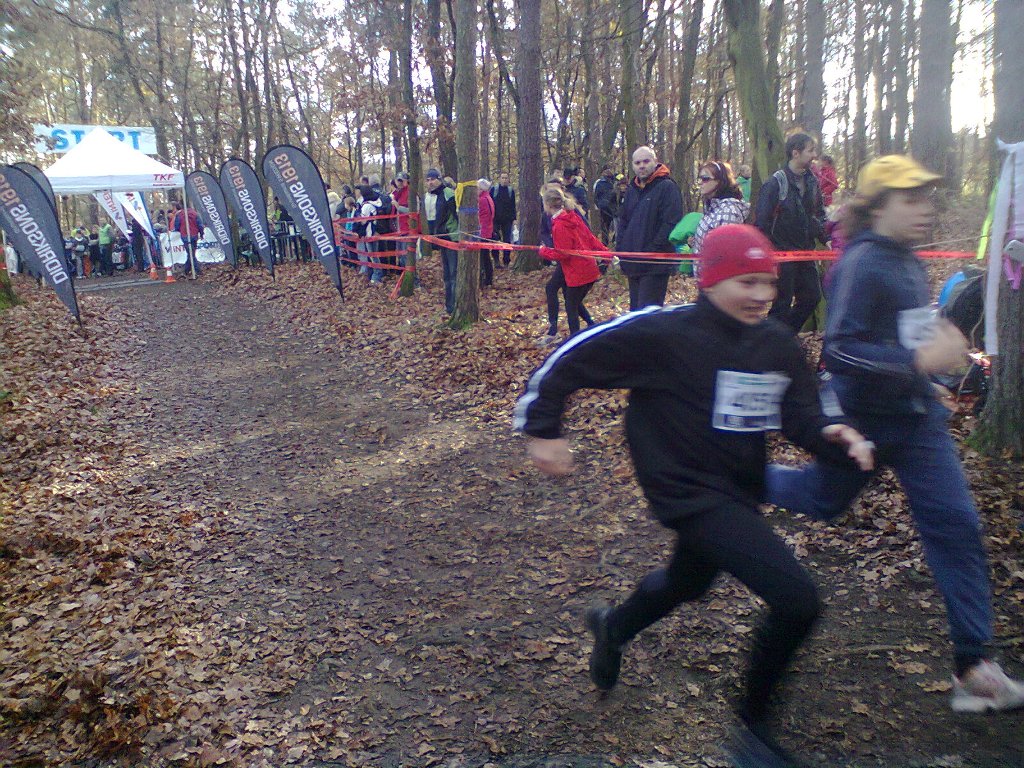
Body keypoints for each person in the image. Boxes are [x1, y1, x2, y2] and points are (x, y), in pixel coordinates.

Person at [516, 224, 875, 766]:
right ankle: (753, 733)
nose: (761, 295)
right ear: (709, 280)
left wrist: (834, 436)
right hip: (683, 488)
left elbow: (800, 416)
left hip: (738, 487)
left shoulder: (776, 344)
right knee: (798, 600)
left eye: (768, 282)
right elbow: (570, 359)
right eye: (746, 282)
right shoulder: (665, 333)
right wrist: (543, 429)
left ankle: (614, 627)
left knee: (688, 581)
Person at [765, 155, 1024, 715]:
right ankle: (742, 474)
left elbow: (907, 332)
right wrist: (917, 362)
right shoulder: (861, 263)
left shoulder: (906, 258)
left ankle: (973, 664)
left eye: (927, 197)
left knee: (955, 523)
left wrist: (938, 369)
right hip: (865, 420)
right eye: (912, 198)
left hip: (917, 420)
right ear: (879, 207)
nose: (926, 209)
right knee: (821, 499)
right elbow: (840, 350)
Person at [754, 132, 826, 333]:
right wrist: (767, 253)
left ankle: (782, 337)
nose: (814, 155)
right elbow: (762, 221)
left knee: (812, 297)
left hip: (806, 253)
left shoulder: (812, 182)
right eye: (810, 150)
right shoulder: (775, 182)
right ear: (796, 153)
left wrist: (826, 237)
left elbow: (817, 214)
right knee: (781, 303)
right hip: (781, 254)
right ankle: (769, 342)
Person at [617, 146, 684, 311]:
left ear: (655, 161)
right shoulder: (632, 190)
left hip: (655, 263)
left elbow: (670, 224)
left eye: (646, 161)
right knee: (635, 314)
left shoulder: (667, 187)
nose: (642, 166)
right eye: (637, 163)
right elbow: (623, 222)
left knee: (648, 314)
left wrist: (651, 251)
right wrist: (622, 251)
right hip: (633, 261)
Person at [537, 186, 603, 337]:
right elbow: (590, 238)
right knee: (572, 301)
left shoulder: (560, 224)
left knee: (571, 306)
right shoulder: (570, 216)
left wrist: (543, 251)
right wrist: (606, 252)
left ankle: (575, 339)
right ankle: (591, 327)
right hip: (586, 267)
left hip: (577, 271)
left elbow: (563, 254)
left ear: (547, 205)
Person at [692, 160, 750, 254]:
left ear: (719, 181)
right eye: (700, 178)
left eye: (705, 179)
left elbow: (726, 253)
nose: (700, 182)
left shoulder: (729, 211)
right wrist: (695, 242)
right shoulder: (713, 207)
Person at [424, 168, 459, 313]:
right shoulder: (432, 196)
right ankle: (449, 305)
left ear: (439, 179)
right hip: (441, 238)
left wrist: (458, 234)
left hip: (452, 237)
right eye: (428, 180)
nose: (430, 183)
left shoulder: (448, 193)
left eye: (432, 179)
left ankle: (455, 305)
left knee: (453, 273)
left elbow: (457, 214)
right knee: (447, 275)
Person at [356, 185, 385, 285]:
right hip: (376, 231)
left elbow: (363, 221)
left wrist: (358, 217)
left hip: (370, 233)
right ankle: (377, 275)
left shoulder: (366, 206)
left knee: (373, 256)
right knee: (375, 255)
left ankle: (377, 276)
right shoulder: (377, 202)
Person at [490, 172, 517, 266]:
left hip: (507, 220)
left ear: (508, 180)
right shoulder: (494, 190)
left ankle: (506, 260)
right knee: (495, 239)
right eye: (503, 178)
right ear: (499, 179)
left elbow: (513, 205)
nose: (504, 180)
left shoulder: (510, 191)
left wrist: (514, 218)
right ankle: (496, 260)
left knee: (507, 240)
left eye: (506, 178)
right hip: (495, 219)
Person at [171, 201, 204, 276]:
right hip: (194, 235)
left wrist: (180, 229)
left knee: (190, 254)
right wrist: (201, 234)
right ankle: (188, 270)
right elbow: (200, 225)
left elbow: (177, 226)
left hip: (185, 235)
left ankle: (194, 270)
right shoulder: (195, 213)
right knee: (191, 253)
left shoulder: (180, 214)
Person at [477, 178, 495, 288]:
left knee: (484, 257)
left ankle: (488, 279)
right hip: (486, 230)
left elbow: (483, 217)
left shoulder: (482, 200)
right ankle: (488, 278)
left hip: (483, 232)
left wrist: (480, 232)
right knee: (485, 256)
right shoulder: (487, 198)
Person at [593, 166, 617, 245]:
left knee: (617, 226)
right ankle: (605, 244)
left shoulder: (615, 182)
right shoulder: (600, 183)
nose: (608, 172)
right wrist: (600, 205)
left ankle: (614, 241)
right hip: (604, 209)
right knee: (605, 227)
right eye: (606, 171)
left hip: (614, 208)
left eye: (609, 170)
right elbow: (596, 196)